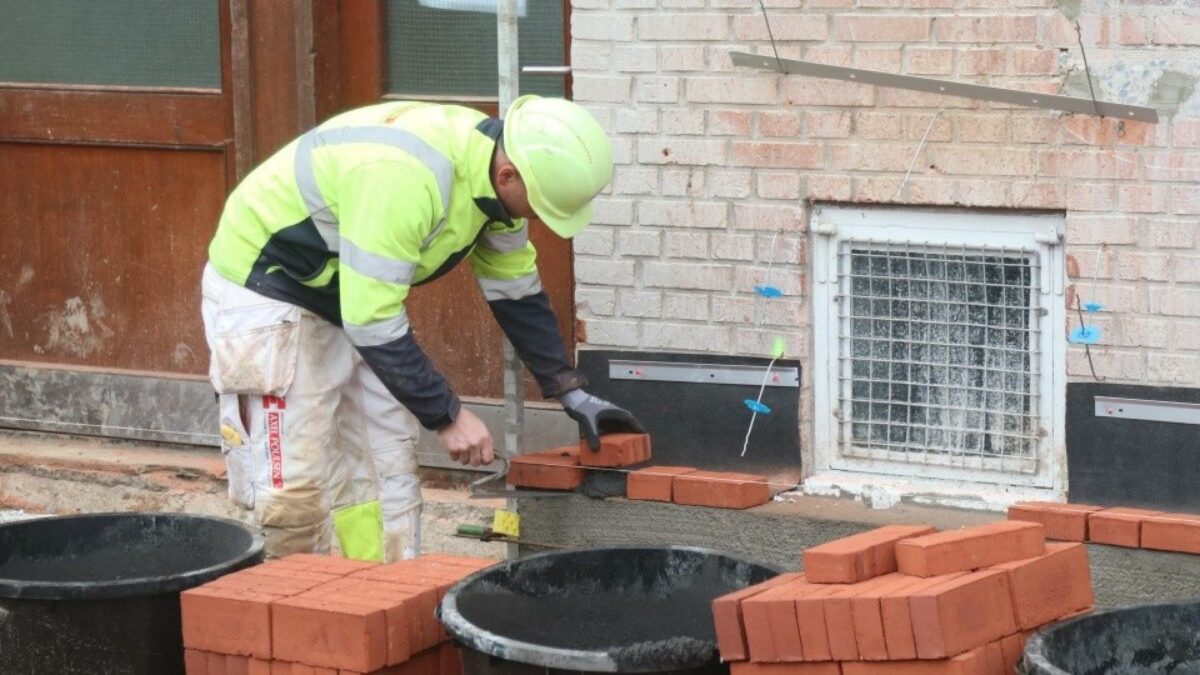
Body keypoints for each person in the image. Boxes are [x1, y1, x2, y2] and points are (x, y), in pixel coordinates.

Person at [200, 96, 643, 561]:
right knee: (295, 484)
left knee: (386, 467)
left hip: (354, 296)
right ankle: (293, 609)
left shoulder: (494, 176)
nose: (537, 220)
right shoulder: (404, 179)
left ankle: (380, 598)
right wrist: (447, 416)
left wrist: (569, 389)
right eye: (538, 206)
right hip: (274, 292)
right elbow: (370, 320)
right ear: (509, 174)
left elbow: (517, 292)